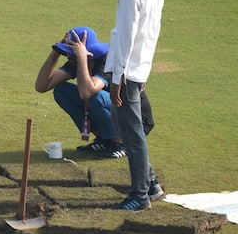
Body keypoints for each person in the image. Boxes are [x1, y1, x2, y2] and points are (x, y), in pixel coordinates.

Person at [100, 0, 165, 210]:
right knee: (131, 131)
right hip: (138, 68)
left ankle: (140, 195)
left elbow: (127, 34)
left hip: (126, 72)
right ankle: (150, 184)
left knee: (131, 134)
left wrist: (117, 77)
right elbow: (150, 31)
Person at [35, 26, 156, 159]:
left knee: (95, 96)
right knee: (61, 91)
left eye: (71, 52)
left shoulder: (108, 61)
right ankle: (104, 139)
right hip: (115, 111)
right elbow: (42, 86)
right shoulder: (76, 60)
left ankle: (120, 144)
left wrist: (81, 58)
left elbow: (86, 92)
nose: (68, 55)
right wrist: (56, 52)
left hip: (137, 123)